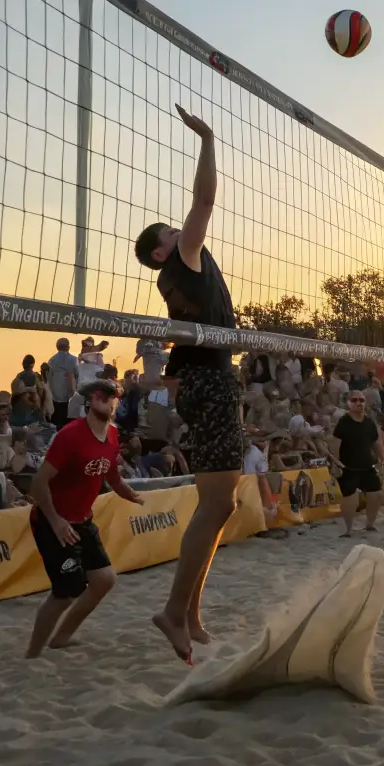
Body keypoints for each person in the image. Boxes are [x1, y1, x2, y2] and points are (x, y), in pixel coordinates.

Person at [134, 104, 243, 662]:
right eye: (170, 232)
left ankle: (191, 610)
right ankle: (174, 612)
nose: (181, 229)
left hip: (202, 377)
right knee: (218, 503)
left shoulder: (180, 275)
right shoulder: (183, 259)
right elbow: (204, 201)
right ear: (160, 251)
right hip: (210, 379)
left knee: (218, 504)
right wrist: (207, 139)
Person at [24, 380, 143, 658]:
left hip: (82, 520)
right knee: (65, 593)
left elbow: (112, 474)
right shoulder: (70, 436)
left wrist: (129, 494)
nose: (107, 400)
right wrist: (56, 521)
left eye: (113, 396)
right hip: (51, 520)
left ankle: (61, 637)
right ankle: (32, 655)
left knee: (104, 579)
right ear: (90, 400)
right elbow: (38, 484)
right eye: (101, 395)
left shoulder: (112, 435)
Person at [331, 390, 384, 539]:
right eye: (355, 400)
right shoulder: (344, 422)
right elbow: (335, 443)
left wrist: (383, 458)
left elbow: (376, 442)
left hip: (367, 466)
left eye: (361, 400)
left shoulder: (369, 422)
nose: (358, 403)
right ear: (349, 403)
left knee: (376, 495)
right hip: (348, 467)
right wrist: (336, 463)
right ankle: (348, 529)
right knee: (350, 499)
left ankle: (370, 524)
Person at [46, 338, 80, 428]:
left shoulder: (52, 360)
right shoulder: (74, 360)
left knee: (56, 426)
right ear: (68, 347)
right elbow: (78, 375)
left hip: (54, 399)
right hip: (70, 399)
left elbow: (48, 379)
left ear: (57, 347)